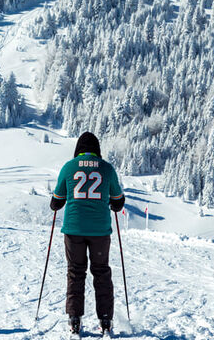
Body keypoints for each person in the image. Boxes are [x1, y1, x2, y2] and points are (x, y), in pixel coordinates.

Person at [50, 132, 125, 337]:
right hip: (100, 231)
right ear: (97, 150)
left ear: (78, 150)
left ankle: (74, 320)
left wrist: (56, 202)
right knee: (101, 272)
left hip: (74, 230)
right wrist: (113, 201)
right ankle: (106, 321)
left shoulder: (69, 167)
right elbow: (118, 201)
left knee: (75, 272)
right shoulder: (107, 168)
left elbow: (57, 200)